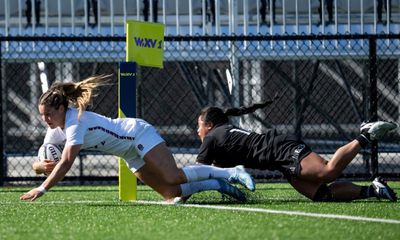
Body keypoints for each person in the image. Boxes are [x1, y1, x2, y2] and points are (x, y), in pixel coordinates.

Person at [20, 75, 255, 203]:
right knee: (172, 194)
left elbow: (67, 162)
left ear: (62, 108)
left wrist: (42, 189)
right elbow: (40, 159)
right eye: (42, 116)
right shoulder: (55, 127)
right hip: (127, 152)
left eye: (49, 114)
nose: (45, 120)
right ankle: (216, 184)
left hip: (137, 133)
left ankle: (232, 172)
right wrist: (40, 166)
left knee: (173, 176)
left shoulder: (75, 121)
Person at [194, 100, 398, 202]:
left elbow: (197, 172)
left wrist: (179, 197)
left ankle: (365, 135)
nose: (197, 131)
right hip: (279, 160)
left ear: (209, 125)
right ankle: (374, 189)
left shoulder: (211, 138)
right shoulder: (220, 136)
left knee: (328, 172)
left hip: (281, 150)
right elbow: (219, 173)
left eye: (199, 126)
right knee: (322, 194)